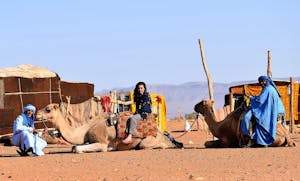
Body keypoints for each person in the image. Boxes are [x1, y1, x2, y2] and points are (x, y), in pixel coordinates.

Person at [240, 75, 286, 147]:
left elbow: (260, 101)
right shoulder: (272, 89)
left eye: (262, 81)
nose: (261, 83)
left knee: (249, 118)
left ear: (265, 81)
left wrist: (251, 98)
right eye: (260, 82)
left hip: (268, 110)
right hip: (277, 110)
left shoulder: (267, 89)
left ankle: (250, 139)